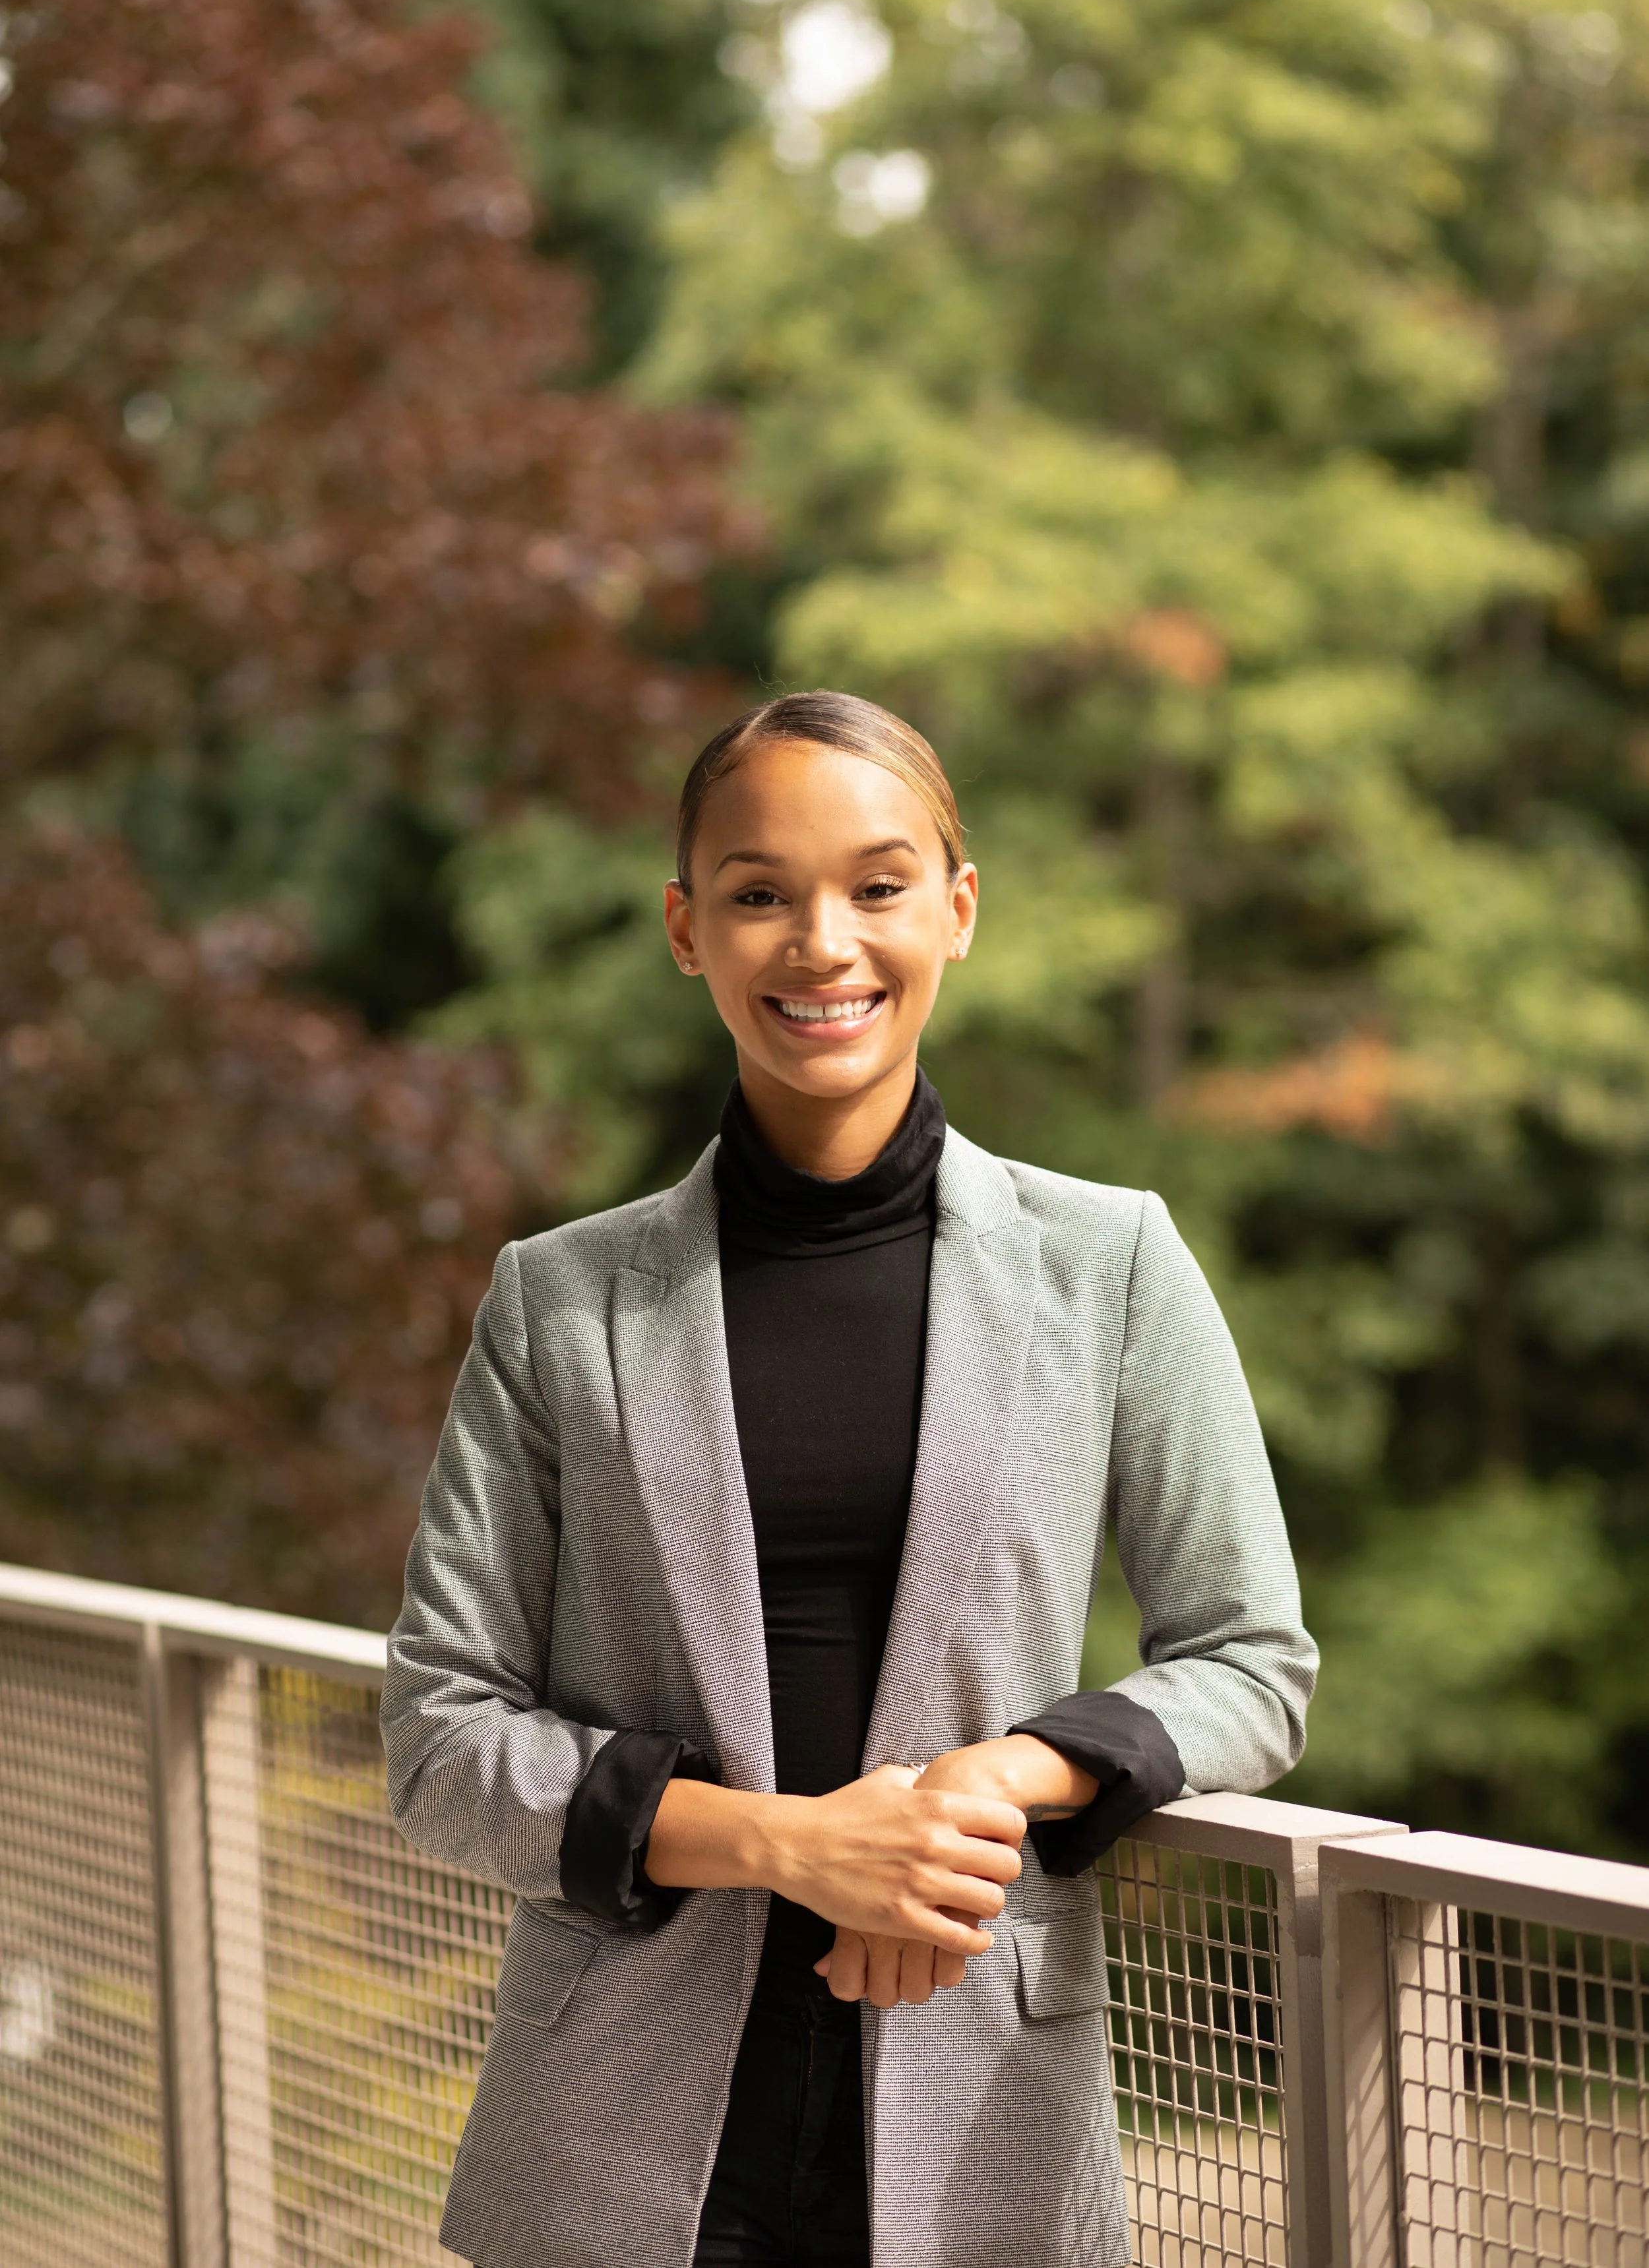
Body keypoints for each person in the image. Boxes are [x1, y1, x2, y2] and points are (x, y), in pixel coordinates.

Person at [381, 690, 1317, 2268]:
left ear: (956, 909)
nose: (821, 942)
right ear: (688, 931)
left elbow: (1251, 1662)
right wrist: (784, 1843)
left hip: (978, 2123)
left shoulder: (1111, 1268)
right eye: (759, 893)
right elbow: (438, 1734)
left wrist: (1001, 1777)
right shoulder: (558, 1300)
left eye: (876, 886)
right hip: (614, 2136)